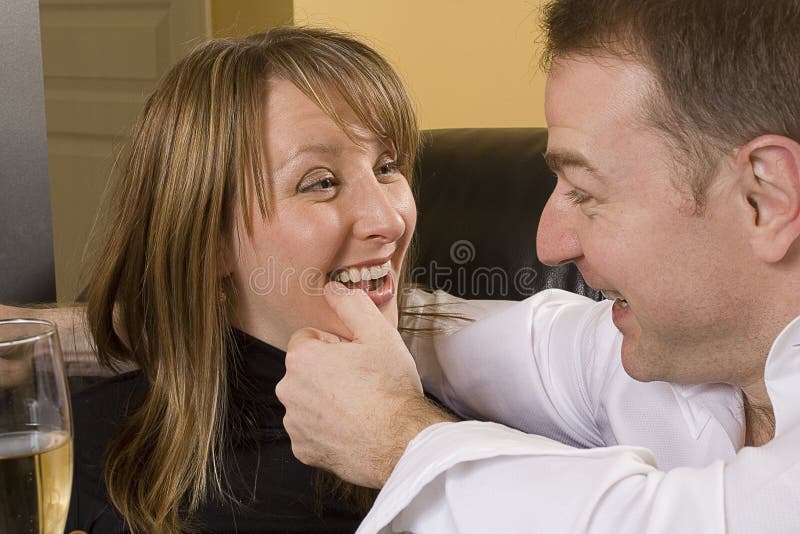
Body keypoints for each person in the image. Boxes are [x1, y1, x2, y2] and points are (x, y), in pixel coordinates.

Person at [275, 1, 800, 532]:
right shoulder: (680, 345)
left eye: (587, 192)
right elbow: (510, 344)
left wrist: (397, 437)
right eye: (320, 183)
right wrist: (358, 297)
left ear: (764, 199)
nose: (549, 246)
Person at [59, 26, 419, 534]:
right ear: (209, 239)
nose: (389, 219)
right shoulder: (77, 450)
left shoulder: (479, 418)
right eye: (321, 182)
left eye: (387, 166)